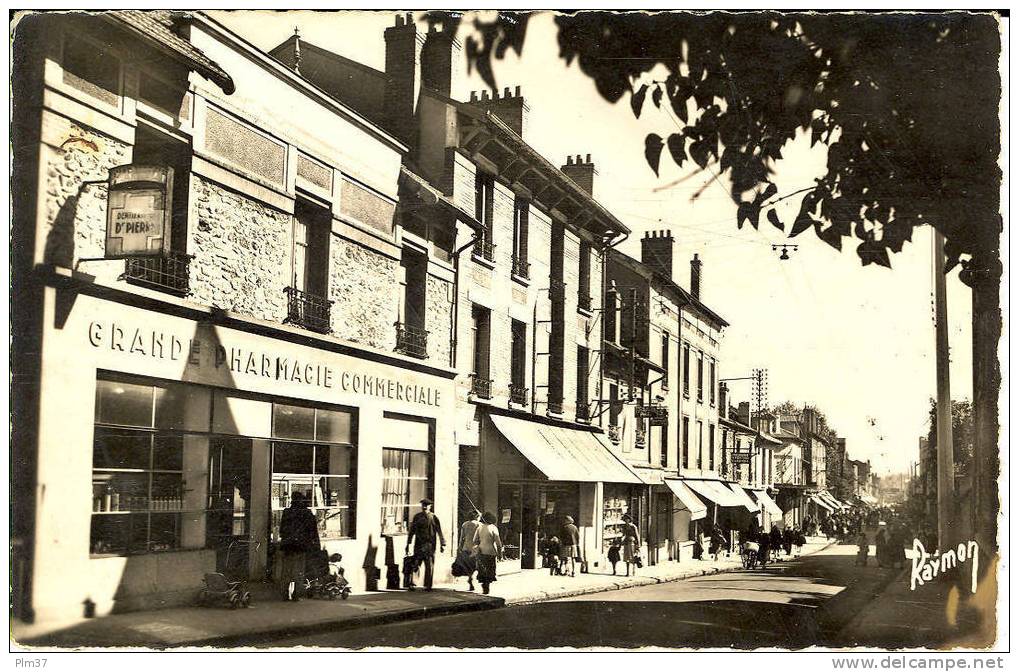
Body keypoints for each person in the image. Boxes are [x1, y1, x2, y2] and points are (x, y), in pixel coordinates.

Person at [278, 492, 320, 601]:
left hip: (287, 546)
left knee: (287, 571)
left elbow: (282, 530)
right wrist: (315, 545)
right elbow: (313, 531)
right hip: (301, 546)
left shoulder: (287, 512)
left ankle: (285, 594)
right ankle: (296, 594)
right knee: (299, 571)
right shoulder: (307, 513)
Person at [405, 498, 446, 591]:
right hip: (419, 544)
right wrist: (408, 543)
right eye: (423, 505)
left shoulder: (433, 517)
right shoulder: (417, 517)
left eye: (426, 505)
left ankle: (428, 585)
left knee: (429, 565)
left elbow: (439, 531)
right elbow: (412, 531)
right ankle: (412, 583)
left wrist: (442, 544)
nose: (424, 507)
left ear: (430, 506)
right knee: (416, 564)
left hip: (430, 545)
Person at [473, 511, 503, 594]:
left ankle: (484, 584)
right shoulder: (494, 528)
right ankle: (487, 585)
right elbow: (498, 543)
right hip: (491, 552)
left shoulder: (479, 528)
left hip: (481, 551)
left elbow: (475, 540)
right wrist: (500, 554)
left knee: (482, 569)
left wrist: (479, 544)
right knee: (490, 569)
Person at [455, 510, 482, 591]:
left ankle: (470, 579)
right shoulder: (479, 525)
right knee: (476, 565)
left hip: (466, 548)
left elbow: (461, 537)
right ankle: (472, 579)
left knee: (469, 565)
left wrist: (459, 547)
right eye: (479, 517)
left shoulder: (465, 524)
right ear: (477, 516)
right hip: (475, 548)